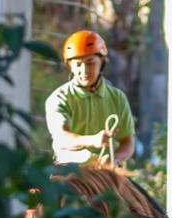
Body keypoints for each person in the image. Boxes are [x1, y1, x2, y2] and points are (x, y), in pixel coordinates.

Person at [45, 29, 136, 166]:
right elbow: (61, 138)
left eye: (90, 63)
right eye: (78, 64)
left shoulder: (118, 98)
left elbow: (128, 142)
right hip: (68, 169)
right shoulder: (59, 98)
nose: (84, 71)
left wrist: (114, 160)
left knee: (136, 189)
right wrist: (92, 140)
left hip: (106, 172)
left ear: (102, 61)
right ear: (70, 66)